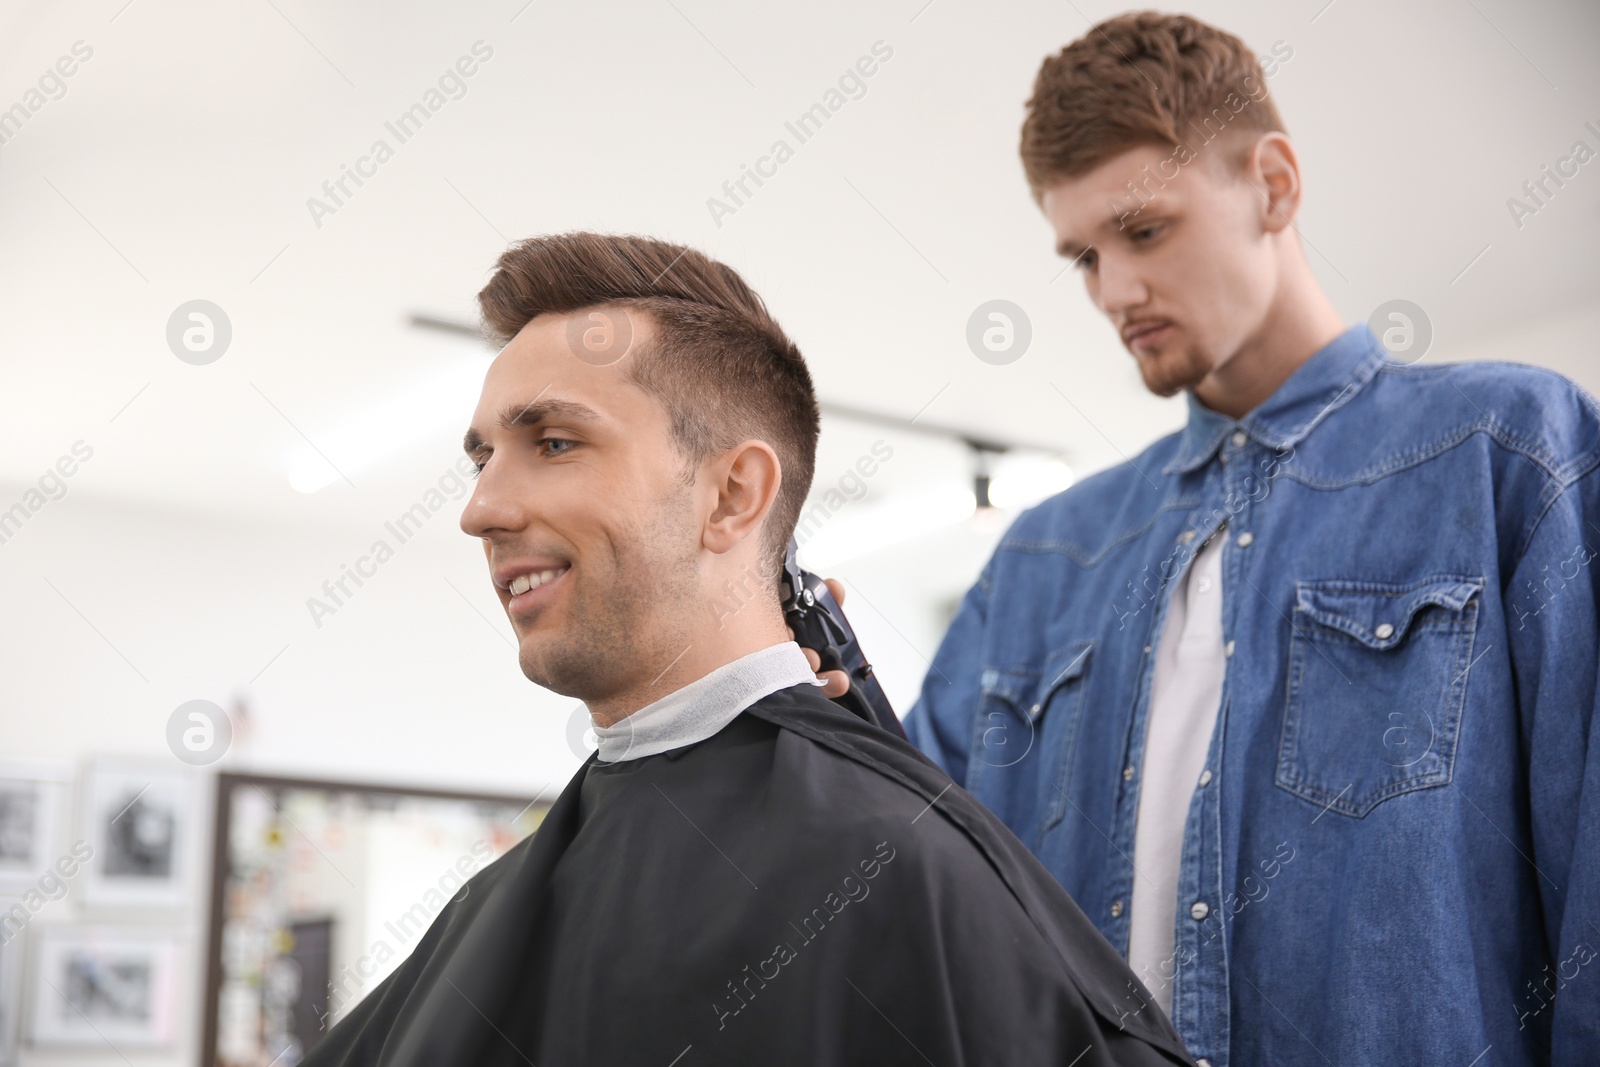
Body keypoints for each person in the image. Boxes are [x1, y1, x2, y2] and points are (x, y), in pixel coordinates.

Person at [807, 12, 1599, 1066]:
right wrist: (815, 724)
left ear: (1272, 184)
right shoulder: (1041, 559)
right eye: (1082, 255)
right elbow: (919, 888)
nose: (1113, 292)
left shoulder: (1506, 450)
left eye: (1144, 231)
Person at [301, 232, 1191, 1066]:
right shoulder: (487, 914)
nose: (480, 509)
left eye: (555, 442)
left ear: (732, 495)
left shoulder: (898, 873)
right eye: (482, 458)